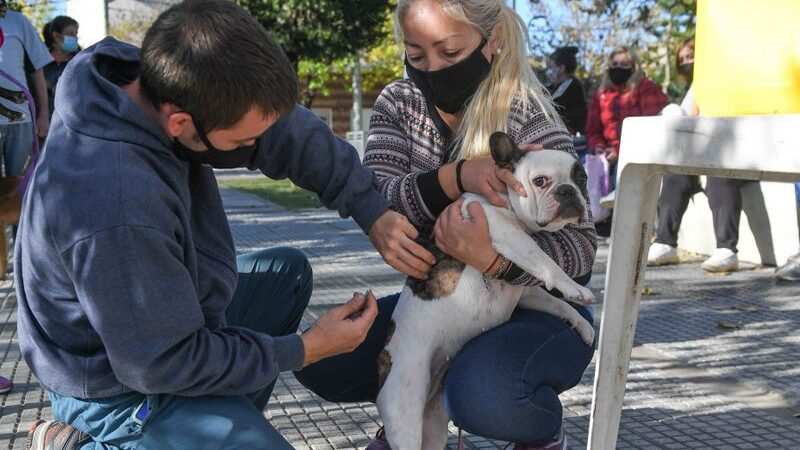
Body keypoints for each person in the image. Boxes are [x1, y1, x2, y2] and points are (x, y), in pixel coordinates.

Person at [18, 1, 436, 449]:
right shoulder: (114, 200)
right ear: (180, 123)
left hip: (159, 328)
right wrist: (306, 348)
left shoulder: (158, 78)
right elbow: (160, 363)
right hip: (117, 386)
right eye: (246, 142)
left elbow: (285, 130)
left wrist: (370, 209)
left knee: (284, 274)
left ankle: (214, 420)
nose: (258, 148)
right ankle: (94, 441)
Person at [295, 1, 597, 449]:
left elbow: (582, 250)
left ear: (490, 41)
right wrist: (456, 178)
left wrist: (494, 260)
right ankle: (410, 413)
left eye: (450, 52)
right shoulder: (399, 103)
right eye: (416, 56)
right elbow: (377, 200)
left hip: (531, 305)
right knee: (324, 359)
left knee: (482, 394)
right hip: (447, 301)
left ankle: (537, 429)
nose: (432, 69)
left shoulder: (527, 110)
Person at [647, 37, 756, 272]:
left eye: (692, 56)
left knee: (720, 172)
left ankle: (727, 249)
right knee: (676, 175)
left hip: (743, 155)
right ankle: (666, 243)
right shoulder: (697, 88)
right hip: (704, 155)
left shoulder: (737, 78)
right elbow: (683, 115)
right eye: (684, 59)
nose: (689, 62)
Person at [586, 46, 668, 196]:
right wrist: (598, 146)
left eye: (624, 65)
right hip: (606, 155)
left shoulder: (646, 88)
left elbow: (652, 127)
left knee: (622, 179)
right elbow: (593, 130)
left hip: (637, 154)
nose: (618, 68)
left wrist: (619, 151)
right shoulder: (601, 95)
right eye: (614, 64)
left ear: (634, 67)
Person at [0, 0, 51, 177]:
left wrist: (43, 115)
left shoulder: (18, 21)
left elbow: (37, 71)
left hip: (20, 121)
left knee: (20, 187)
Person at [41, 15, 79, 120]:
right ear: (56, 36)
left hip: (74, 122)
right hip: (47, 123)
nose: (75, 37)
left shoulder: (81, 61)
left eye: (76, 33)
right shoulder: (40, 63)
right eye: (71, 34)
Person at [546, 46, 586, 135]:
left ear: (561, 68)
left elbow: (576, 117)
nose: (549, 71)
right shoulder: (551, 87)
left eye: (551, 67)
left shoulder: (574, 87)